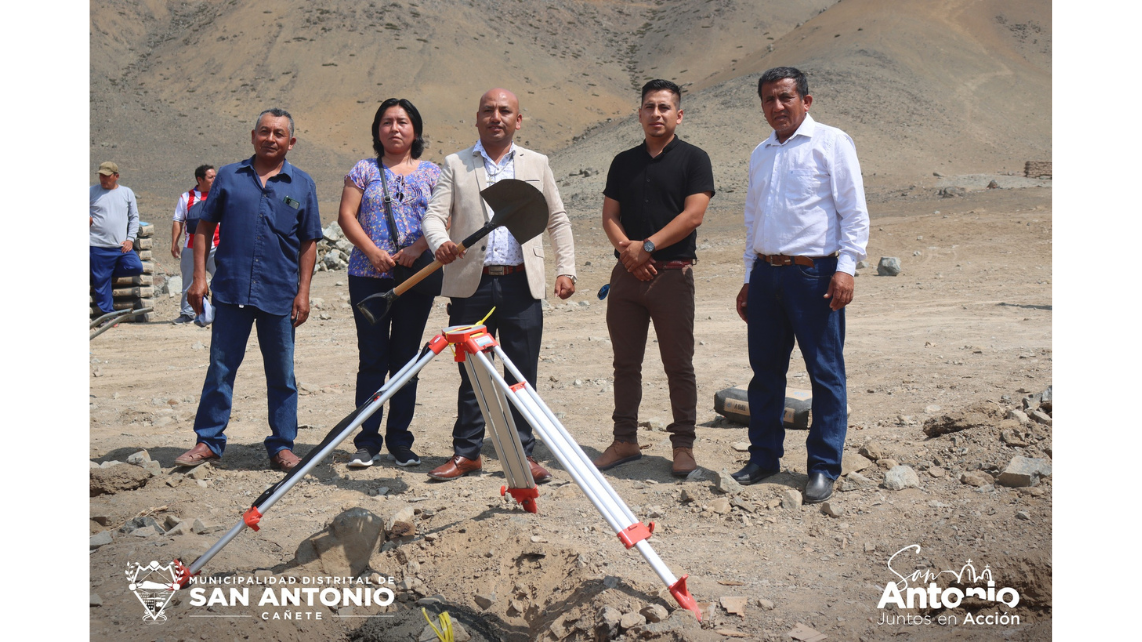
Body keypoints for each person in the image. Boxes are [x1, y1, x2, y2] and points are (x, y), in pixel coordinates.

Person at [421, 88, 577, 482]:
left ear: (518, 120)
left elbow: (556, 218)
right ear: (477, 118)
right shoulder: (456, 164)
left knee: (521, 373)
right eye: (488, 110)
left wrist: (567, 269)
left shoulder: (536, 163)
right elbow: (434, 217)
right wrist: (440, 245)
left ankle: (523, 454)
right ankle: (467, 453)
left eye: (505, 111)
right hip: (470, 286)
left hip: (521, 285)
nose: (496, 117)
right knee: (473, 373)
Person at [733, 67, 869, 504]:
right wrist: (749, 276)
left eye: (785, 97)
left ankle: (823, 467)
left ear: (805, 101)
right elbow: (754, 218)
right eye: (769, 99)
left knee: (825, 373)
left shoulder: (832, 142)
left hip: (815, 275)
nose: (777, 107)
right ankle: (764, 457)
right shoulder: (761, 153)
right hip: (767, 274)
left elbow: (854, 212)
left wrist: (846, 268)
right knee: (765, 372)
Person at [174, 108, 323, 472]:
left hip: (280, 294)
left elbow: (308, 243)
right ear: (253, 135)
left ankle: (282, 445)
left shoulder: (302, 184)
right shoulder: (228, 177)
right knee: (221, 368)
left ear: (291, 141)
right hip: (232, 289)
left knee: (282, 374)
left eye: (279, 134)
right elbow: (204, 226)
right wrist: (198, 277)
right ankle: (209, 440)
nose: (271, 138)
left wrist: (303, 292)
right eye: (265, 132)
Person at [592, 79, 715, 478]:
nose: (656, 114)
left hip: (672, 276)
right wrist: (630, 253)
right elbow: (610, 216)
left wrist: (645, 248)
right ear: (640, 114)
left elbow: (693, 215)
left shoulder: (695, 160)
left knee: (678, 365)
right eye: (650, 107)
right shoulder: (623, 161)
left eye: (665, 108)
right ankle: (625, 440)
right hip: (627, 278)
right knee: (625, 363)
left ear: (678, 115)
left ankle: (683, 446)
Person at [338, 99, 441, 470]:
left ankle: (400, 441)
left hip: (416, 275)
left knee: (406, 360)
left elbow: (443, 217)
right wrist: (372, 250)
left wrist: (416, 249)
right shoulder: (363, 169)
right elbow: (346, 215)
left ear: (415, 129)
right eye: (386, 122)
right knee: (372, 358)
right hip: (368, 275)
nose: (394, 128)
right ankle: (366, 442)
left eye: (402, 122)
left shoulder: (433, 173)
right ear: (376, 129)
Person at [90, 161, 144, 315]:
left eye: (106, 176)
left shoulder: (126, 193)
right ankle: (108, 315)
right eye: (101, 175)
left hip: (120, 246)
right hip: (98, 245)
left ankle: (106, 273)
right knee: (101, 283)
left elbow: (134, 217)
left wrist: (130, 239)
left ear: (116, 176)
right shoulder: (91, 192)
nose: (103, 179)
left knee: (135, 266)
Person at [170, 165, 218, 324]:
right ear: (200, 179)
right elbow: (178, 220)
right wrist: (174, 243)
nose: (215, 180)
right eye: (211, 177)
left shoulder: (220, 195)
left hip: (217, 246)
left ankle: (221, 311)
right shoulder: (186, 197)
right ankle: (187, 313)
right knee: (189, 281)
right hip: (191, 247)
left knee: (221, 279)